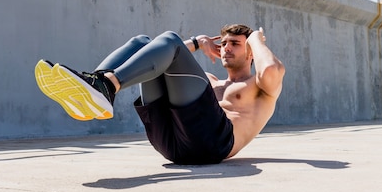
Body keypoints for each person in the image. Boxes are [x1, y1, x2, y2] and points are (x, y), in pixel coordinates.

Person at [35, 24, 285, 165]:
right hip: (170, 144)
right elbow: (163, 54)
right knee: (142, 42)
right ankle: (95, 84)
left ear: (250, 52)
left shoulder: (258, 86)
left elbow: (273, 69)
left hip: (214, 144)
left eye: (235, 44)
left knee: (170, 40)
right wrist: (197, 43)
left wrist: (255, 40)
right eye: (224, 43)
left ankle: (106, 87)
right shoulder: (208, 80)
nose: (226, 48)